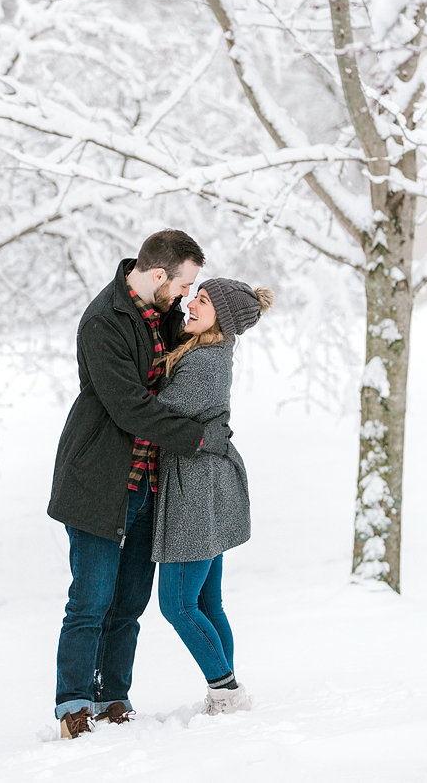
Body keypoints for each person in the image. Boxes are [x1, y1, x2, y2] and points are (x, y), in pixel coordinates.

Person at [47, 230, 233, 739]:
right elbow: (131, 407)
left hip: (151, 482)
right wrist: (197, 438)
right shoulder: (104, 321)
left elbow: (205, 345)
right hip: (100, 482)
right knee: (91, 599)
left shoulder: (163, 313)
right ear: (158, 276)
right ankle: (74, 705)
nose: (185, 296)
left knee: (129, 603)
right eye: (183, 285)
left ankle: (113, 698)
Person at [152, 277, 273, 714]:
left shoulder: (206, 361)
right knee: (205, 601)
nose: (191, 305)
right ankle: (227, 691)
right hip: (205, 481)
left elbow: (158, 412)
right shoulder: (205, 351)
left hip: (196, 488)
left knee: (177, 604)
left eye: (202, 301)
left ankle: (225, 690)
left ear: (221, 316)